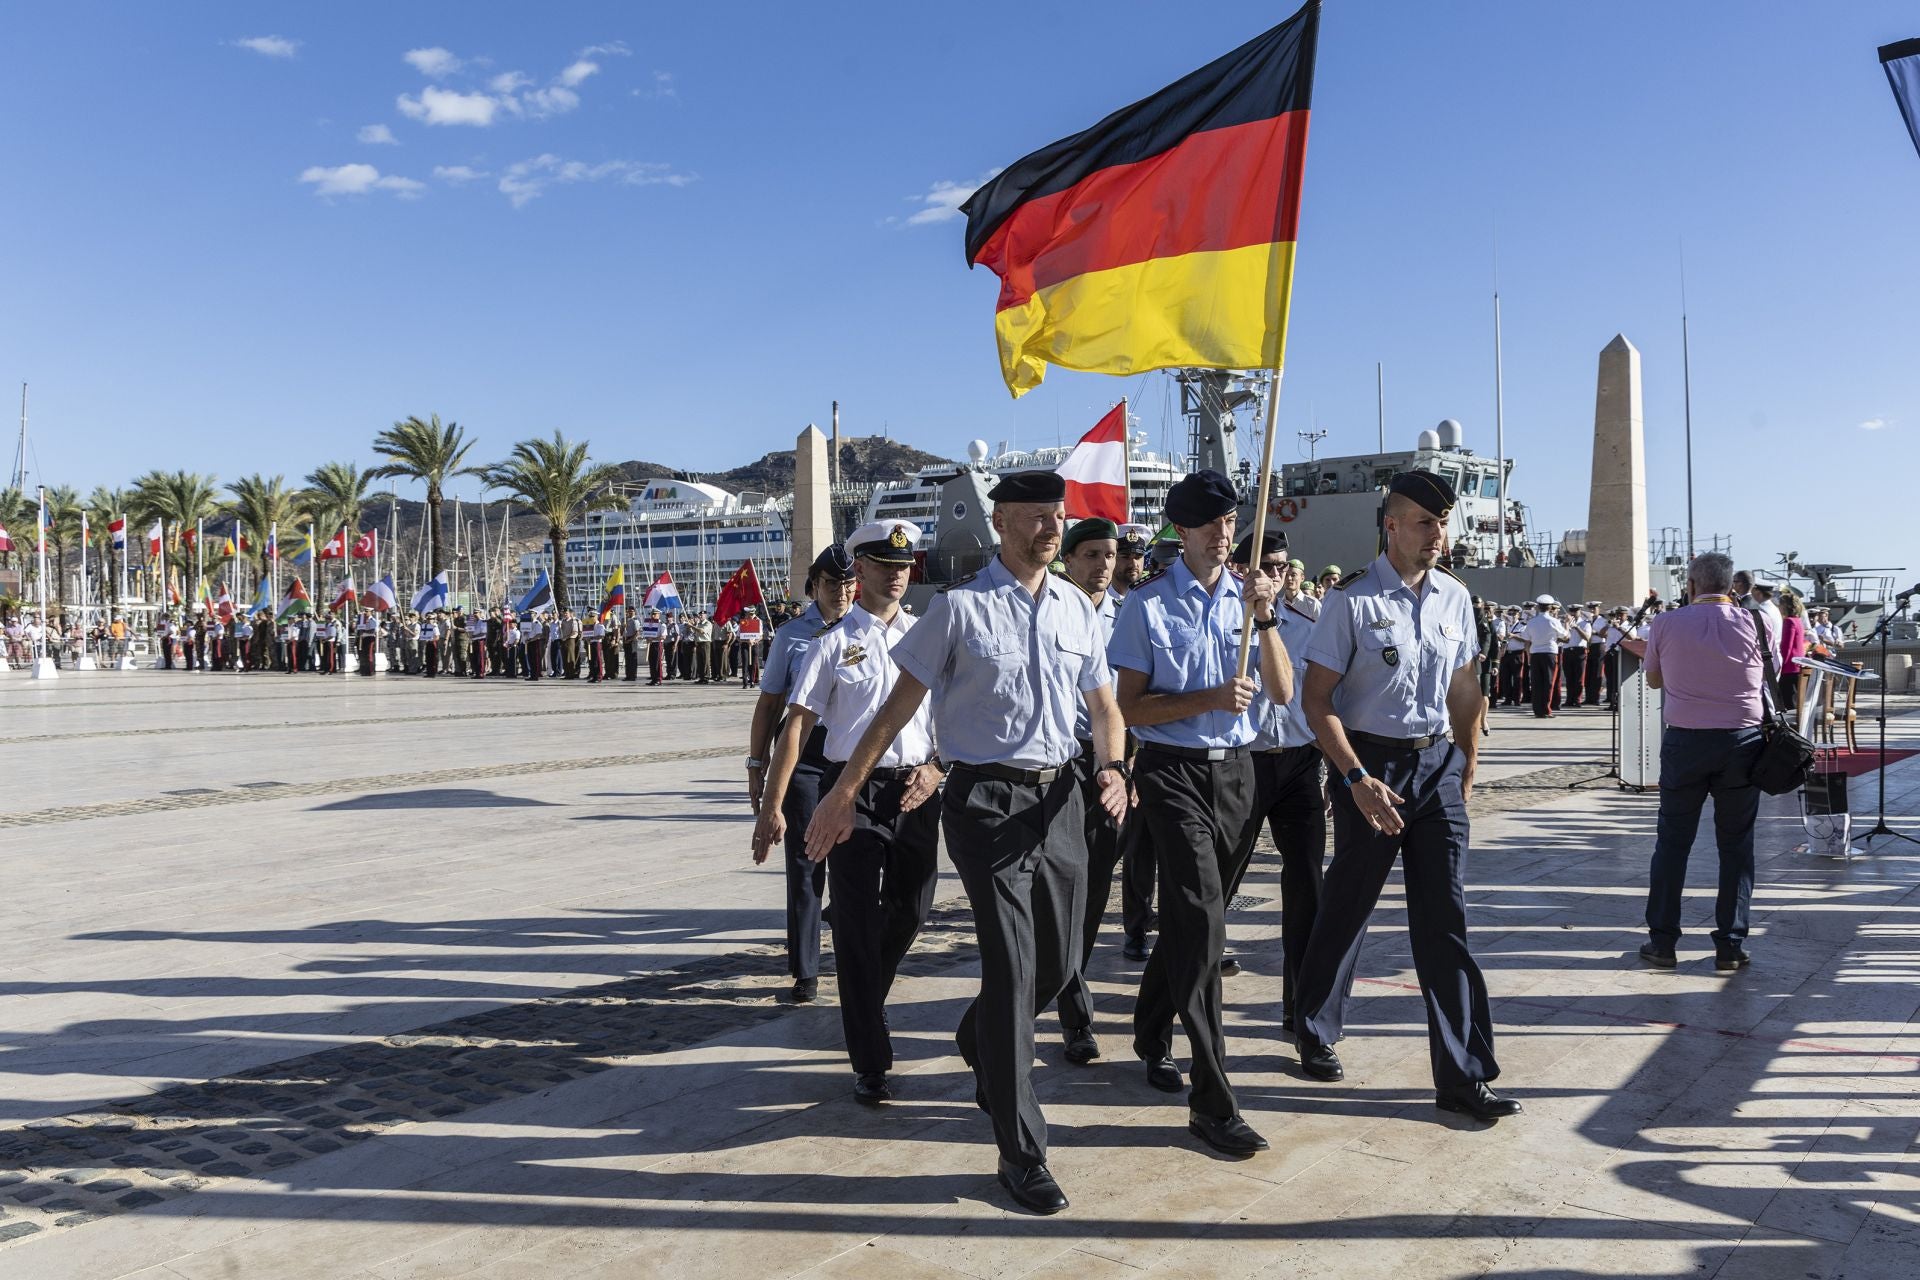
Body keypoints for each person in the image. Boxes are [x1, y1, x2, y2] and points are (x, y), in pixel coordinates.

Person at [808, 469, 1127, 1215]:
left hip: (1064, 795)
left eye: (1058, 516)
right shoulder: (958, 610)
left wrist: (1113, 767)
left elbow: (1106, 707)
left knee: (1063, 958)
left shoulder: (1079, 611)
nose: (1052, 528)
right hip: (985, 800)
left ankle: (981, 1034)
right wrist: (846, 790)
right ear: (1001, 520)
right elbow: (896, 708)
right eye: (1038, 517)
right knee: (1014, 969)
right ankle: (1022, 1151)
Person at [1293, 470, 1517, 1121]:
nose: (1437, 535)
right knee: (1348, 907)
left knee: (1444, 921)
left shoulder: (1454, 597)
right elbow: (1317, 700)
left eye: (1442, 523)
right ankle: (1313, 1025)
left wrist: (1467, 765)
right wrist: (1356, 778)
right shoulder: (1353, 601)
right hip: (1370, 766)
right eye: (1425, 522)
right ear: (1391, 525)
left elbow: (1466, 689)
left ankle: (1464, 1075)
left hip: (1438, 769)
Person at [1108, 470, 1290, 1158]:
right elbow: (1132, 709)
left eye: (1231, 522)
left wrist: (1267, 616)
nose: (1224, 534)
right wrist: (1208, 697)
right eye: (1210, 524)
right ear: (1181, 531)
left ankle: (1151, 1032)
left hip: (1240, 775)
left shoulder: (1251, 600)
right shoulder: (1147, 608)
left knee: (1193, 924)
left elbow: (1281, 689)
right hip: (1173, 772)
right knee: (1206, 930)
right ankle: (1213, 1102)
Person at [757, 520, 940, 1104]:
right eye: (884, 565)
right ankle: (870, 1056)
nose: (896, 574)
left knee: (912, 909)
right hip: (850, 796)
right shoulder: (832, 643)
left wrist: (939, 768)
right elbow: (798, 726)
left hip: (916, 791)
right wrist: (771, 803)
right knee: (859, 926)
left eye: (904, 565)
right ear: (859, 572)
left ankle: (868, 997)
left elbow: (948, 721)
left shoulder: (928, 635)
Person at [1624, 551, 1766, 972]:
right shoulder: (1756, 622)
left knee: (1672, 843)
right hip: (1743, 741)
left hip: (1686, 741)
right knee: (1736, 845)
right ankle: (1731, 943)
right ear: (1732, 587)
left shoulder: (1666, 622)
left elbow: (1652, 679)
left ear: (1689, 584)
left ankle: (1663, 942)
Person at [746, 547, 858, 1002]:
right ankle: (806, 968)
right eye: (833, 584)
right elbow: (770, 704)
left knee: (857, 860)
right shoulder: (791, 636)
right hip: (805, 755)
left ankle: (856, 948)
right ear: (814, 586)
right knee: (806, 859)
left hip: (853, 754)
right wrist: (757, 766)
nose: (843, 592)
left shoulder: (868, 629)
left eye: (850, 584)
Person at [1227, 529, 1324, 1028]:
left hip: (1301, 762)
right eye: (1270, 565)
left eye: (1285, 565)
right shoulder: (1226, 617)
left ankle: (1301, 1007)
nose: (1281, 574)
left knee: (1307, 881)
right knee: (1222, 874)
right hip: (1245, 762)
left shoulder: (1309, 621)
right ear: (1245, 570)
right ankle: (1196, 970)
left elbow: (1322, 698)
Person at [1046, 517, 1132, 1066]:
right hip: (1060, 762)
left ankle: (1070, 996)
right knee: (1059, 893)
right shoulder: (1051, 607)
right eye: (1093, 554)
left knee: (1095, 887)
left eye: (1111, 554)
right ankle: (1073, 1014)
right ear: (1070, 560)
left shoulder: (1131, 614)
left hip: (1112, 765)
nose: (1104, 564)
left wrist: (1126, 767)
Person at [1523, 595, 1566, 718]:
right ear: (1551, 607)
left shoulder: (1531, 622)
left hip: (1535, 653)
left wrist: (1529, 656)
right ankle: (1546, 709)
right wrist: (1567, 625)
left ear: (1537, 607)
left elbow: (1526, 640)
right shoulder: (1554, 621)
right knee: (1548, 682)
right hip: (1549, 653)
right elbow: (1565, 636)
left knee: (1536, 683)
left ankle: (1537, 710)